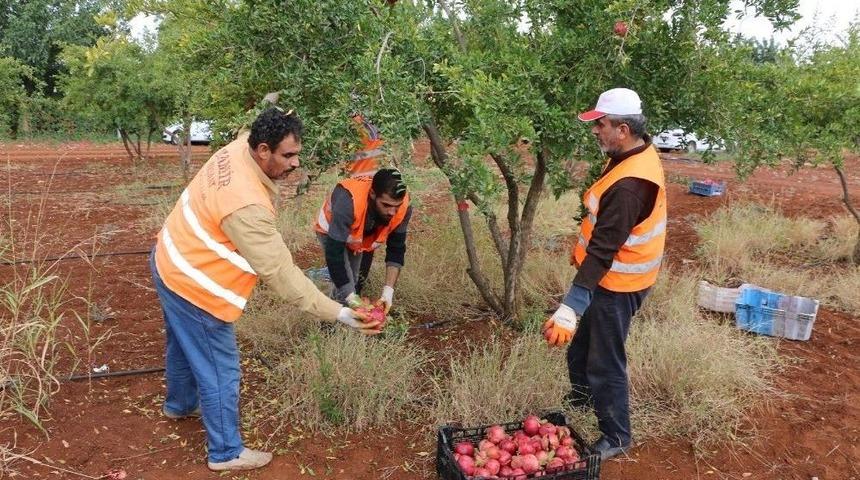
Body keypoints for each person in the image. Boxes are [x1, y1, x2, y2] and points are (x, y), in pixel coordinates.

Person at [149, 107, 380, 472]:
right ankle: (225, 453)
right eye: (288, 155)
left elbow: (256, 114)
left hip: (169, 259)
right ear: (262, 150)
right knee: (220, 369)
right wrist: (340, 313)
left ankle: (179, 405)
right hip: (195, 285)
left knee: (182, 342)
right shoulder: (246, 205)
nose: (295, 163)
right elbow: (282, 274)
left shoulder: (239, 144)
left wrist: (280, 104)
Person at [541, 88, 667, 461]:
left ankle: (616, 435)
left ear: (623, 129)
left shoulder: (631, 185)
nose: (595, 131)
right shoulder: (631, 152)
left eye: (601, 125)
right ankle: (581, 399)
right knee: (581, 347)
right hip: (608, 277)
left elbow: (604, 250)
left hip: (619, 283)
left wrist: (570, 306)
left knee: (605, 359)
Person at [314, 168, 412, 312]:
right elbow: (335, 255)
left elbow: (396, 248)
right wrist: (350, 298)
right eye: (386, 205)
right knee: (347, 287)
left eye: (396, 206)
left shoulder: (404, 207)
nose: (392, 212)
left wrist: (388, 293)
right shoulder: (348, 201)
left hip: (360, 235)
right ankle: (330, 324)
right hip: (331, 231)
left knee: (354, 282)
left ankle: (340, 311)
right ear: (372, 194)